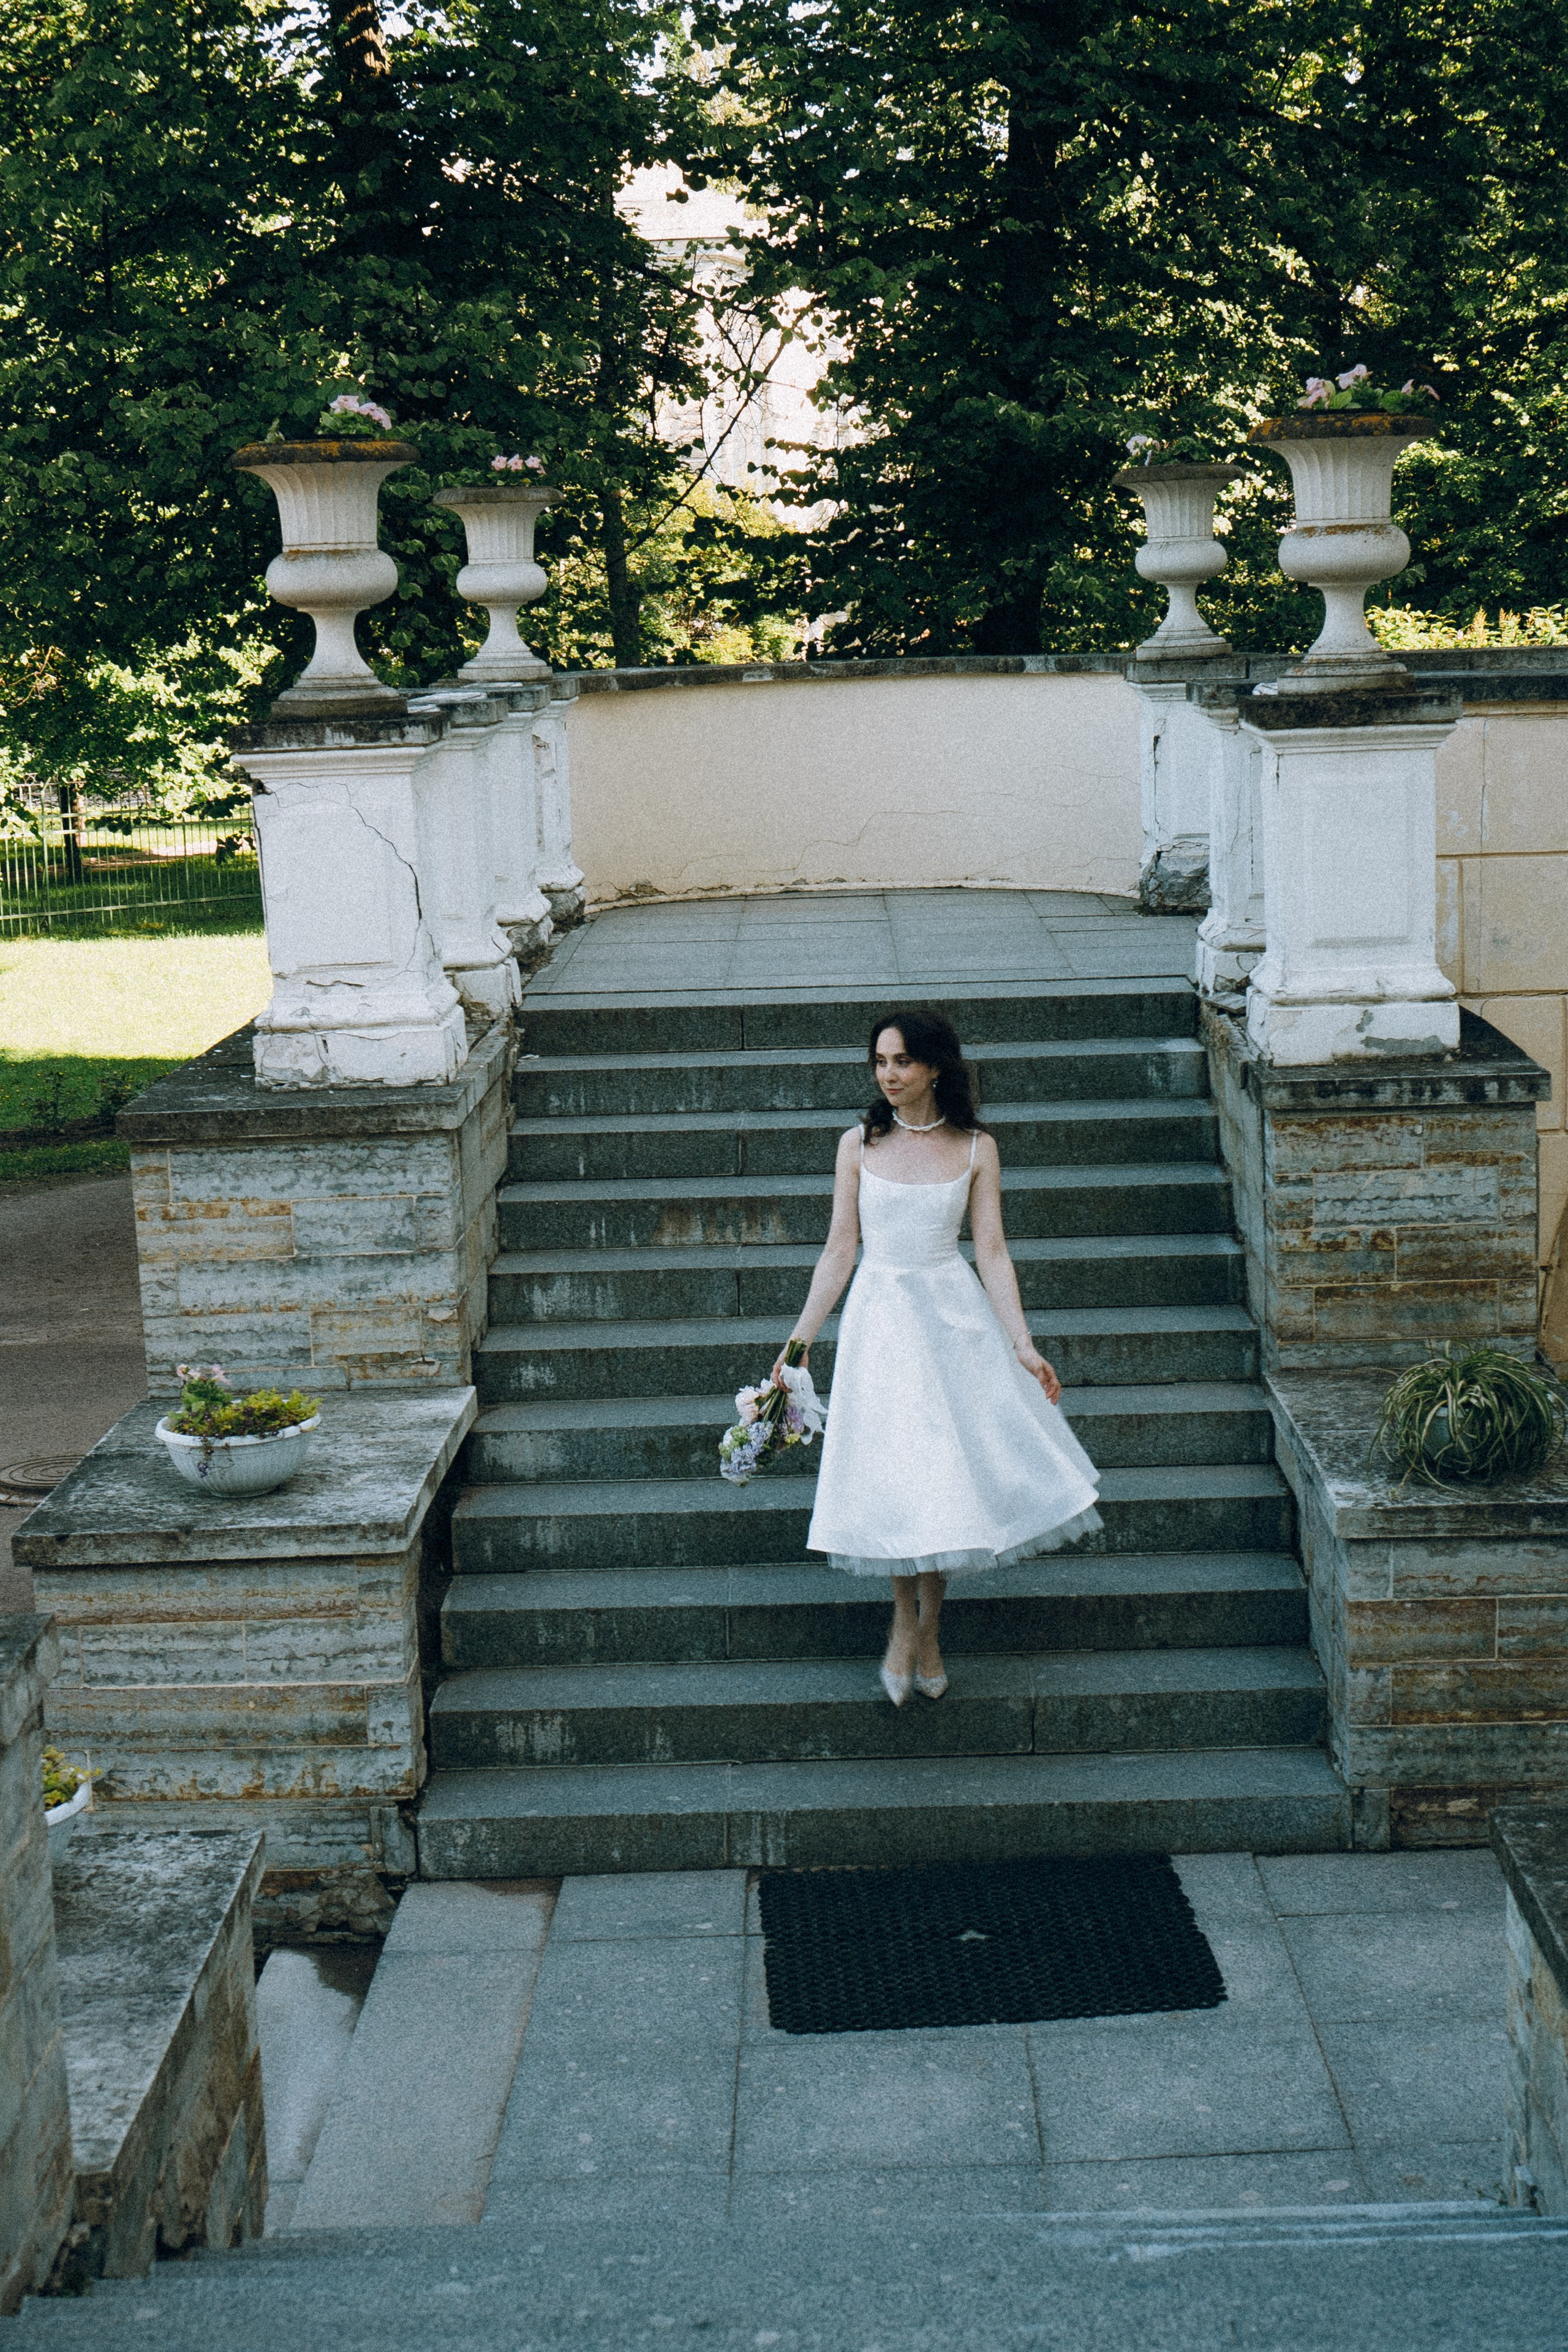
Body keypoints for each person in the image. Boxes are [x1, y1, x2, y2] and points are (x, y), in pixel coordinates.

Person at [773, 1006, 1102, 1706]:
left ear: (934, 1068)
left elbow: (992, 1252)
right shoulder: (856, 1146)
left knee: (946, 1476)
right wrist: (798, 1343)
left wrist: (1021, 1343)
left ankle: (932, 1629)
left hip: (953, 1323)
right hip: (880, 1323)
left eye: (902, 1062)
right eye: (880, 1062)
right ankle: (903, 1621)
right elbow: (840, 1250)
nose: (888, 1075)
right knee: (898, 1475)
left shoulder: (977, 1148)